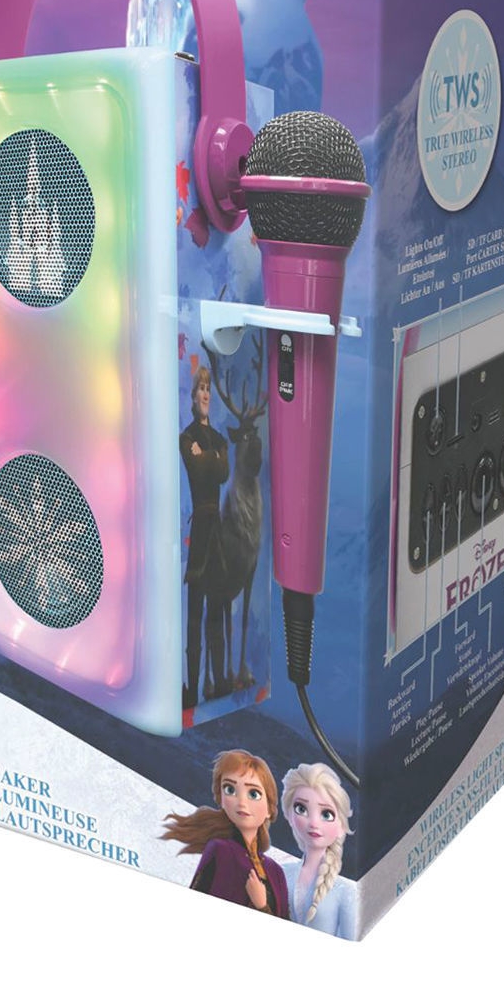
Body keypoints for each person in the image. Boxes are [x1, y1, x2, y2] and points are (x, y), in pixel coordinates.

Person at [160, 750, 289, 919]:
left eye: (253, 794)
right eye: (230, 789)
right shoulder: (220, 850)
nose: (241, 802)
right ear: (221, 799)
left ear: (269, 810)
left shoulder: (276, 871)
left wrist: (262, 906)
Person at [179, 365, 229, 707]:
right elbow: (198, 471)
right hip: (200, 527)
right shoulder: (186, 438)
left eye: (209, 388)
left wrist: (207, 456)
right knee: (195, 614)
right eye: (201, 388)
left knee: (217, 612)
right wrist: (212, 460)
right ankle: (193, 690)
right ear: (194, 396)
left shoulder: (218, 439)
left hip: (217, 531)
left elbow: (222, 472)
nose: (206, 394)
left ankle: (219, 685)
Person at [279, 763, 357, 939]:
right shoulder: (281, 873)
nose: (314, 823)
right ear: (289, 815)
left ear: (341, 827)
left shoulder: (345, 892)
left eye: (326, 814)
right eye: (301, 809)